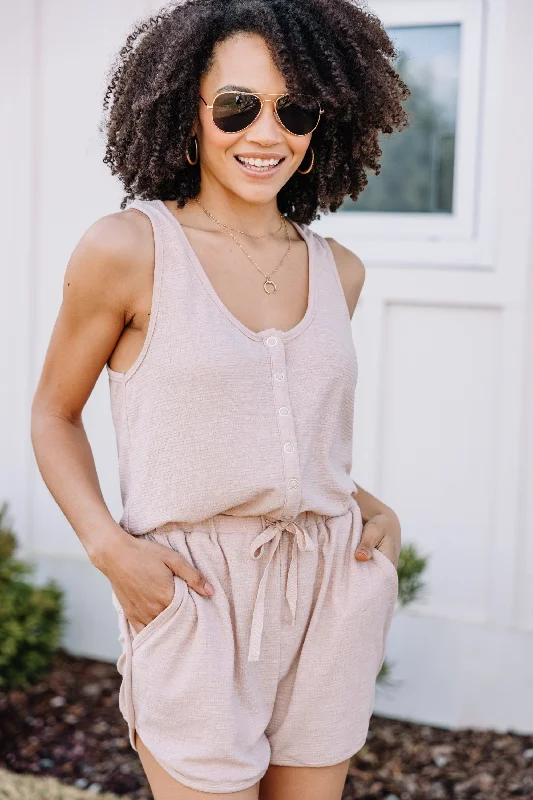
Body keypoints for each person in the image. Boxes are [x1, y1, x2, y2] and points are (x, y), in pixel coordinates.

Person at [31, 1, 409, 797]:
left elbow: (280, 430)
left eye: (294, 109)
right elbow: (52, 415)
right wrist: (108, 547)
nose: (266, 134)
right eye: (236, 106)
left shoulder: (339, 270)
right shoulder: (128, 249)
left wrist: (370, 505)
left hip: (329, 594)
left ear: (322, 124)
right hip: (194, 596)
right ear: (187, 114)